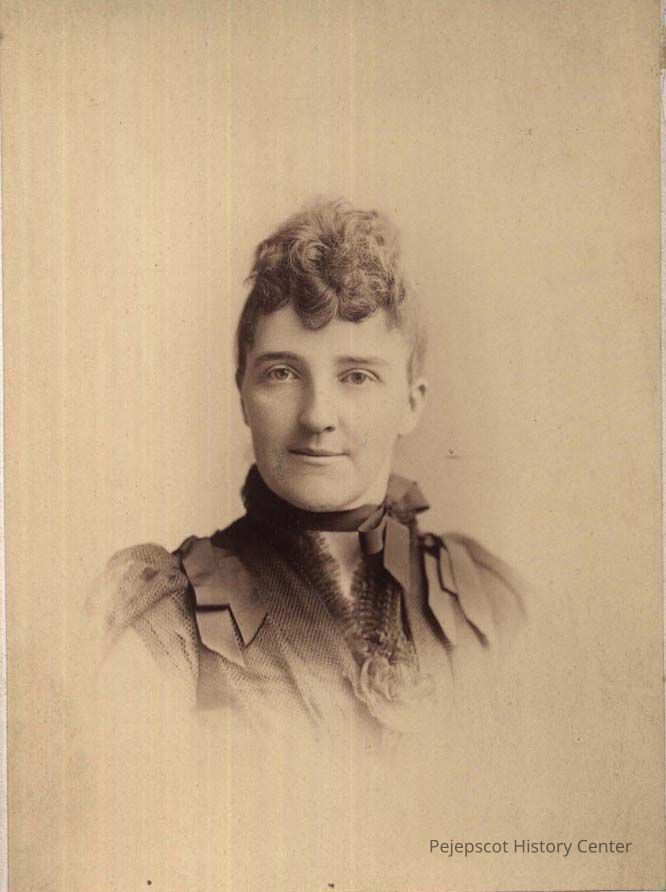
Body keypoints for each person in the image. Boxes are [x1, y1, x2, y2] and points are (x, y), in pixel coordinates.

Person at [93, 198, 526, 747]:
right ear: (243, 394)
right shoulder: (169, 622)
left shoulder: (490, 600)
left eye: (357, 377)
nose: (317, 415)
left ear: (412, 403)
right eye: (282, 373)